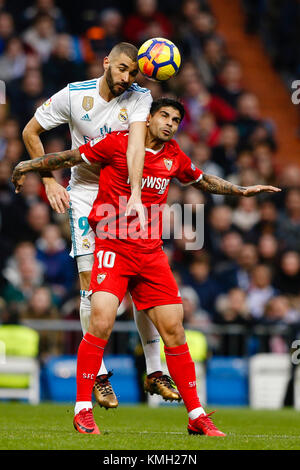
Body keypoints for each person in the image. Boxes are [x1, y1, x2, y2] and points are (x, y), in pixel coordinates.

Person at [13, 97, 281, 435]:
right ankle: (82, 410)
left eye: (176, 120)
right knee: (101, 323)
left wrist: (241, 191)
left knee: (175, 331)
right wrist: (29, 165)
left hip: (150, 254)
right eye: (164, 116)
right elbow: (68, 158)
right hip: (112, 246)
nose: (169, 123)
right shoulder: (116, 142)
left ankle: (196, 415)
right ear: (148, 117)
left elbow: (202, 180)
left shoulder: (174, 156)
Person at [21, 42, 180, 409]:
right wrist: (47, 180)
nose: (127, 78)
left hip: (124, 193)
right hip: (84, 193)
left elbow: (137, 146)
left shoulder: (140, 97)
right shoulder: (74, 96)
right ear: (107, 63)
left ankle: (155, 371)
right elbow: (31, 131)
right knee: (89, 282)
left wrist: (137, 194)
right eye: (122, 69)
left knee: (142, 280)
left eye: (133, 72)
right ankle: (101, 376)